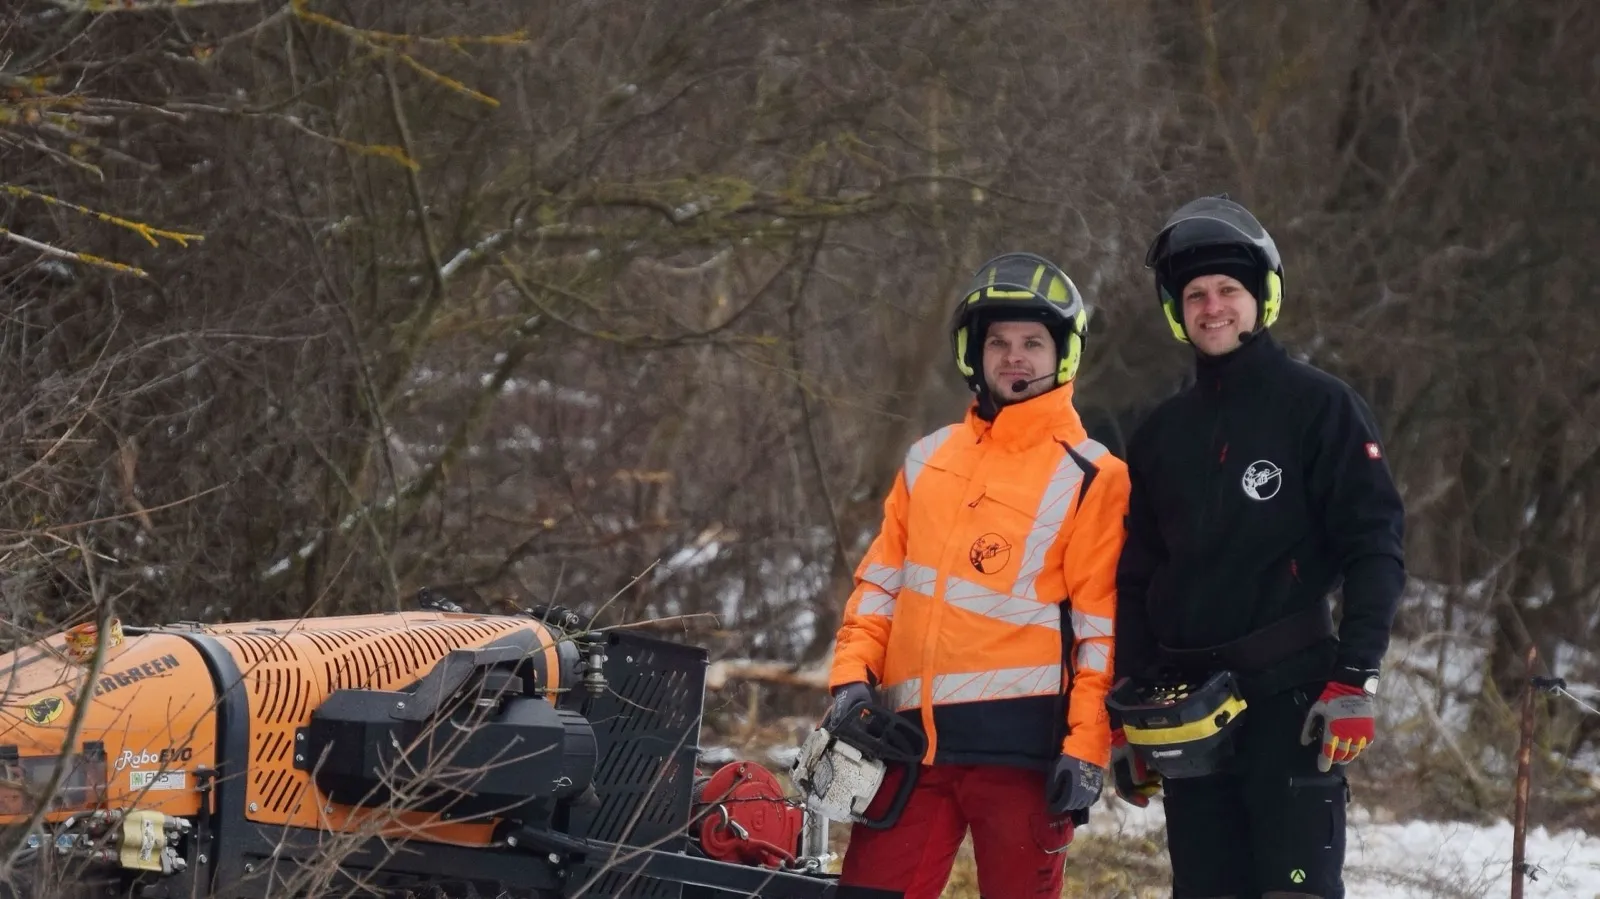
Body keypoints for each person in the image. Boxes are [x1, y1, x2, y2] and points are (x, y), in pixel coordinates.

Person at [1109, 194, 1407, 899]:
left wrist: (1355, 675)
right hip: (1188, 712)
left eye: (1228, 291)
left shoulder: (1318, 406)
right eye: (1196, 294)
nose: (1212, 307)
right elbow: (1138, 578)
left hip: (1295, 701)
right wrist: (1127, 717)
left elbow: (1376, 544)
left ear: (1262, 297)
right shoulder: (1159, 433)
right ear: (1175, 309)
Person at [823, 252, 1131, 899]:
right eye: (998, 341)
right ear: (974, 350)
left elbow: (1100, 631)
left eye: (1031, 342)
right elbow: (879, 585)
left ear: (1062, 354)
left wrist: (1087, 746)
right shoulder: (927, 458)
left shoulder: (1094, 477)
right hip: (909, 748)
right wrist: (852, 679)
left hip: (1023, 759)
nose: (1013, 356)